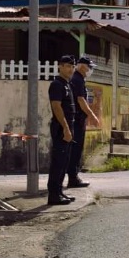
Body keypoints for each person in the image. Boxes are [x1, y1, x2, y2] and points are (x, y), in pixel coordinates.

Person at [47, 55, 77, 206]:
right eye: (67, 66)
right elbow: (56, 107)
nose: (70, 69)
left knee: (64, 161)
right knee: (58, 161)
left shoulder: (67, 84)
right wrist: (65, 128)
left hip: (68, 126)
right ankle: (53, 194)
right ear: (60, 66)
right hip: (61, 127)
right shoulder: (57, 84)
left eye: (72, 67)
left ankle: (59, 191)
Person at [67, 55, 99, 188]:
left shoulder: (77, 79)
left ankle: (73, 176)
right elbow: (81, 100)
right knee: (75, 150)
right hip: (77, 120)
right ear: (82, 66)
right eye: (89, 67)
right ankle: (73, 178)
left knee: (75, 150)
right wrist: (92, 115)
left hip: (76, 120)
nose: (90, 70)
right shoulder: (78, 79)